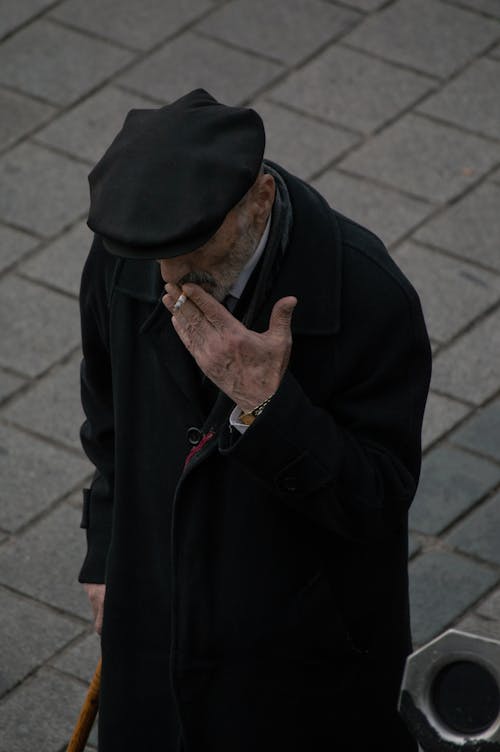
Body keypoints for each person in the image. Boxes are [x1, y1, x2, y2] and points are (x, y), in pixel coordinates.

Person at [79, 88, 431, 752]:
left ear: (260, 199)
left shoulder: (367, 297)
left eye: (196, 249)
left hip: (294, 658)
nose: (174, 279)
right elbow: (108, 427)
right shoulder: (127, 257)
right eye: (161, 256)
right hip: (156, 628)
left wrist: (268, 408)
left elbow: (376, 500)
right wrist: (104, 557)